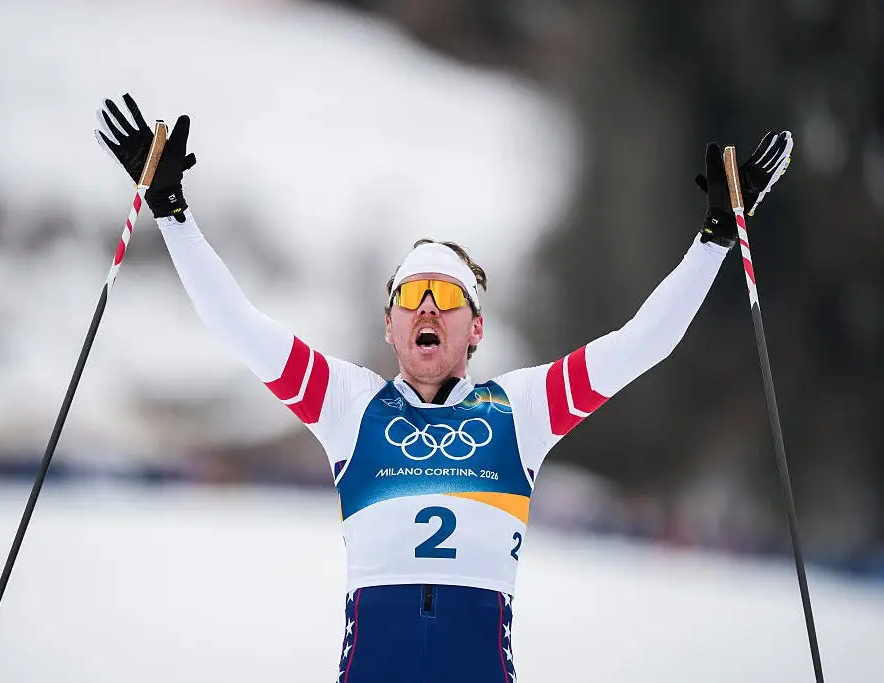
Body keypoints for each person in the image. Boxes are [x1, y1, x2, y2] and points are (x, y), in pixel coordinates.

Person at [96, 94, 792, 683]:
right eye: (412, 295)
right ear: (390, 327)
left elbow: (641, 343)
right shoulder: (349, 405)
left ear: (475, 330)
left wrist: (713, 239)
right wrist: (172, 213)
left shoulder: (521, 410)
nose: (427, 307)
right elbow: (236, 323)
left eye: (445, 296)